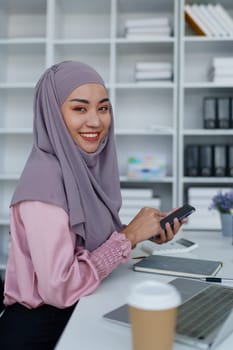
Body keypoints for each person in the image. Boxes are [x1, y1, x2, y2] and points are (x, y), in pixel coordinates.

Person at [0, 61, 184, 349]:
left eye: (103, 108)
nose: (96, 122)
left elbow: (81, 246)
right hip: (37, 332)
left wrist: (143, 232)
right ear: (52, 114)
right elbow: (59, 288)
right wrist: (129, 236)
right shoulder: (44, 183)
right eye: (79, 108)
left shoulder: (78, 171)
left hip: (75, 312)